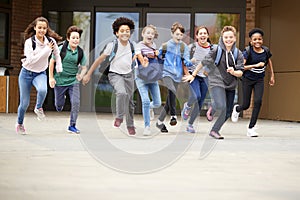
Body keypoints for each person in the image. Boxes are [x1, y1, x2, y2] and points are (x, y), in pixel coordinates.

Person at [183, 25, 244, 139]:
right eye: (226, 37)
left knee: (228, 111)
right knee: (221, 105)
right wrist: (193, 74)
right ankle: (215, 105)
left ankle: (214, 130)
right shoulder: (216, 50)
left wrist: (234, 72)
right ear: (222, 38)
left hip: (231, 84)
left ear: (235, 38)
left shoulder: (238, 54)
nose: (228, 40)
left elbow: (241, 72)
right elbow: (204, 62)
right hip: (216, 82)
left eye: (231, 37)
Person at [82, 17, 136, 136]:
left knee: (130, 103)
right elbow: (99, 60)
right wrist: (88, 74)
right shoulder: (112, 46)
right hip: (115, 74)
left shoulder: (133, 45)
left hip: (128, 75)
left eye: (127, 30)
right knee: (121, 93)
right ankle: (119, 117)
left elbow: (135, 57)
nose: (125, 33)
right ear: (117, 33)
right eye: (122, 30)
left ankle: (130, 125)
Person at [16, 16, 63, 135]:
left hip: (40, 73)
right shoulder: (29, 42)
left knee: (43, 90)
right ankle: (20, 123)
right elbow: (31, 60)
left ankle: (38, 107)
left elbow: (57, 54)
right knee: (24, 103)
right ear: (35, 28)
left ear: (47, 29)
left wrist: (59, 67)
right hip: (26, 73)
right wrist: (46, 51)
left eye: (44, 28)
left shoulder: (50, 41)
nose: (42, 30)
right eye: (39, 28)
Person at [231, 28, 275, 137]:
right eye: (255, 39)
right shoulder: (247, 52)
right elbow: (242, 67)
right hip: (248, 80)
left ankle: (251, 128)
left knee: (258, 101)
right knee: (246, 105)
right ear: (251, 41)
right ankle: (237, 109)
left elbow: (269, 62)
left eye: (259, 39)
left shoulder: (266, 51)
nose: (257, 41)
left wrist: (272, 75)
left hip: (259, 80)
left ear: (262, 40)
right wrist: (255, 65)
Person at [155, 22, 193, 133]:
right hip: (167, 73)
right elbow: (158, 55)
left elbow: (186, 59)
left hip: (177, 75)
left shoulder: (184, 47)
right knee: (171, 90)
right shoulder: (166, 45)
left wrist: (190, 62)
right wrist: (156, 53)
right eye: (177, 34)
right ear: (172, 34)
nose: (179, 37)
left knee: (169, 101)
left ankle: (159, 122)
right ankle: (173, 115)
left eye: (181, 35)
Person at [49, 25, 87, 134]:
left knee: (76, 102)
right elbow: (52, 62)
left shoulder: (80, 52)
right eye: (73, 38)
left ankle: (72, 125)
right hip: (60, 81)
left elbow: (84, 67)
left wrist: (80, 75)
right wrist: (51, 78)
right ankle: (61, 102)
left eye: (77, 38)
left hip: (73, 81)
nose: (76, 40)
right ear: (68, 38)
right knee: (58, 105)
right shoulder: (61, 49)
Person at [180, 26, 211, 133]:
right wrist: (187, 74)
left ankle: (190, 124)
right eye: (200, 33)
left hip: (205, 77)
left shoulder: (211, 49)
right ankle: (188, 106)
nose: (202, 35)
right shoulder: (191, 47)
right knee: (195, 95)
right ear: (197, 36)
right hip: (193, 75)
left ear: (207, 35)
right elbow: (183, 62)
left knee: (200, 102)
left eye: (204, 33)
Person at [135, 25, 162, 136]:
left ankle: (149, 108)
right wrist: (144, 62)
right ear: (143, 34)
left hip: (152, 77)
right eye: (148, 33)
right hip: (141, 77)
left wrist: (156, 54)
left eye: (152, 33)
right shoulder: (138, 46)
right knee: (145, 101)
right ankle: (147, 127)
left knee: (157, 103)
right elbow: (139, 57)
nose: (150, 35)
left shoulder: (154, 46)